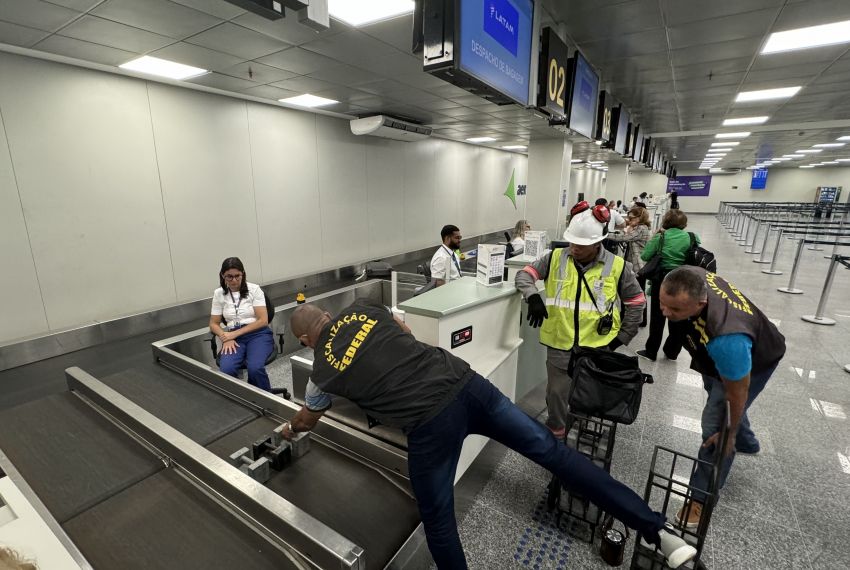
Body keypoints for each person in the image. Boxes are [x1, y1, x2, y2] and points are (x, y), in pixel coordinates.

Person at [281, 300, 697, 569]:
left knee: (439, 522)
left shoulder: (321, 374)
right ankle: (658, 531)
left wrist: (287, 429)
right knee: (558, 456)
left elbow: (307, 418)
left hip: (429, 425)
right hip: (469, 386)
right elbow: (405, 337)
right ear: (328, 314)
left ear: (305, 340)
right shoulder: (365, 309)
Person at [658, 267, 786, 529]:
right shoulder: (688, 277)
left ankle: (701, 499)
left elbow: (737, 391)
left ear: (701, 303)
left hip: (756, 359)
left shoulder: (727, 340)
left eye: (675, 310)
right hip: (714, 358)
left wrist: (730, 429)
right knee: (718, 398)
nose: (665, 313)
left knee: (717, 428)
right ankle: (748, 443)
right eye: (662, 303)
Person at [514, 204, 646, 438]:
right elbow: (524, 274)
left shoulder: (617, 266)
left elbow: (636, 302)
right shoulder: (555, 258)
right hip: (560, 341)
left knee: (589, 390)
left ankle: (583, 426)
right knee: (556, 393)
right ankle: (557, 433)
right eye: (572, 242)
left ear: (597, 244)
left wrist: (622, 337)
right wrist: (532, 294)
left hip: (597, 344)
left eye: (581, 245)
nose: (574, 248)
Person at [636, 209, 699, 362]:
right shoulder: (692, 237)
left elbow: (645, 256)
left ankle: (651, 351)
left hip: (663, 281)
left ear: (666, 222)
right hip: (684, 280)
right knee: (679, 316)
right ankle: (672, 352)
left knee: (658, 317)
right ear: (684, 223)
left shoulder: (661, 237)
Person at [209, 257, 275, 391]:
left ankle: (266, 402)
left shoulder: (254, 290)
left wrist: (233, 334)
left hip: (258, 335)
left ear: (243, 274)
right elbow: (213, 324)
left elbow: (263, 320)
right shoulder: (219, 294)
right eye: (229, 277)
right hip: (233, 337)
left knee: (255, 368)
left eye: (237, 276)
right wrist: (225, 336)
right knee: (226, 370)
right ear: (223, 276)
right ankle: (241, 401)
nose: (233, 280)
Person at [607, 207, 653, 327]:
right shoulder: (639, 228)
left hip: (639, 266)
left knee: (636, 292)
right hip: (636, 264)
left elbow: (624, 237)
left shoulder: (641, 229)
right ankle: (640, 319)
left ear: (640, 218)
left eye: (631, 218)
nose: (628, 220)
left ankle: (639, 319)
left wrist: (605, 235)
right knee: (639, 292)